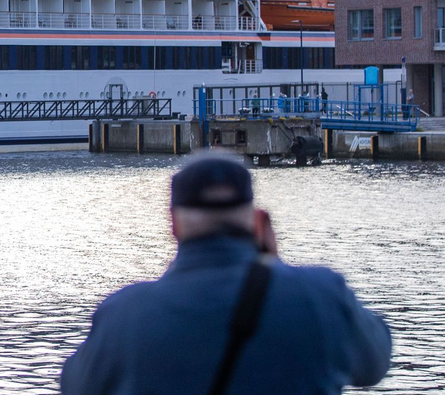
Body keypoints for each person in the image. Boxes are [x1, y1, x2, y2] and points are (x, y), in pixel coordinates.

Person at [61, 154, 391, 395]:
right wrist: (275, 269)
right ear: (258, 221)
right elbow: (374, 362)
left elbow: (75, 386)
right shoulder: (321, 295)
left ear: (174, 225)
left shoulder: (125, 314)